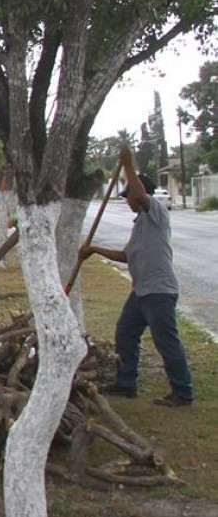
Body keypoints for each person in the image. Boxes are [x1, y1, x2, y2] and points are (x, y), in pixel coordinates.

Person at [79, 147, 194, 407]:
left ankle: (183, 392)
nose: (127, 200)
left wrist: (128, 164)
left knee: (166, 343)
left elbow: (140, 194)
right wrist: (94, 250)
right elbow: (127, 256)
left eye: (128, 195)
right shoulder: (140, 224)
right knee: (125, 333)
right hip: (141, 292)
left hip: (159, 292)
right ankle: (126, 383)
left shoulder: (156, 212)